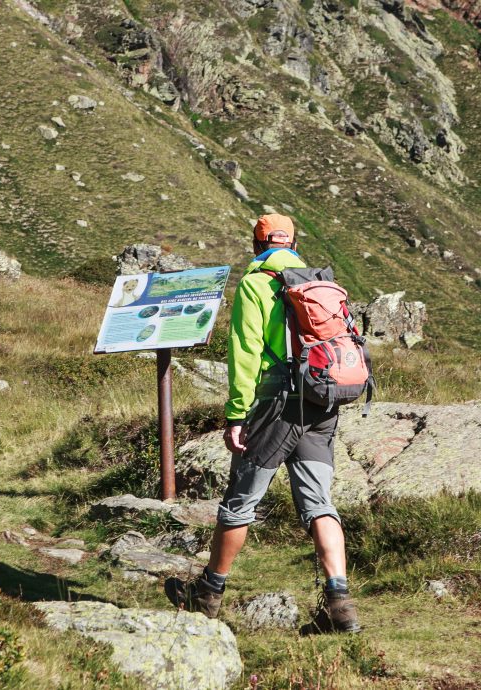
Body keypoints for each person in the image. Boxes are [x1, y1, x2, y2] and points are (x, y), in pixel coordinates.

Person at [165, 213, 360, 633]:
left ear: (257, 246)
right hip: (322, 401)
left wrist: (236, 414)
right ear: (293, 244)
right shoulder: (319, 283)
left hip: (276, 405)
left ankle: (208, 593)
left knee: (240, 501)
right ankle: (339, 604)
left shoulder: (255, 284)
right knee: (320, 504)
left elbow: (245, 354)